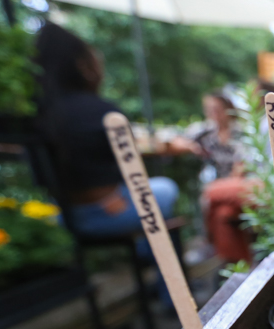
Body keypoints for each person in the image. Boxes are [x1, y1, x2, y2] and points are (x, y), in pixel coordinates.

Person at [35, 22, 179, 304]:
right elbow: (132, 169)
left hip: (64, 216)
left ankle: (150, 261)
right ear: (81, 65)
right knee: (165, 190)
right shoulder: (99, 111)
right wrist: (108, 197)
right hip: (108, 211)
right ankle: (169, 294)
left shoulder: (37, 114)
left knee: (153, 204)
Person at [169, 89, 261, 265]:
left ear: (228, 109)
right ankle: (239, 267)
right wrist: (191, 147)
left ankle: (208, 244)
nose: (214, 114)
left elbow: (243, 165)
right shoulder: (205, 131)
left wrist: (230, 179)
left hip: (238, 184)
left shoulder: (242, 132)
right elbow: (176, 139)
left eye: (217, 109)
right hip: (222, 191)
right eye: (209, 109)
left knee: (209, 193)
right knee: (223, 214)